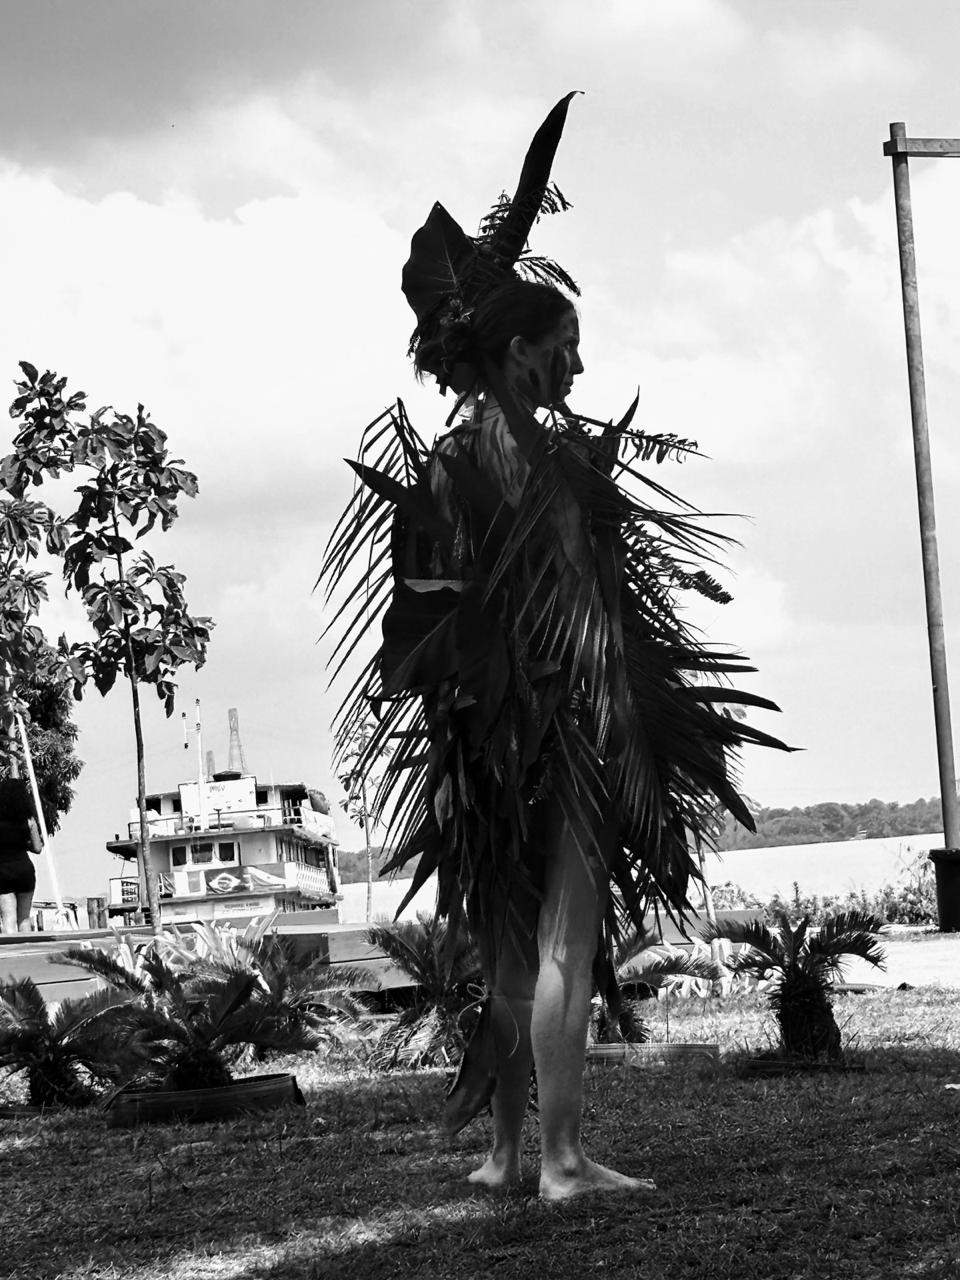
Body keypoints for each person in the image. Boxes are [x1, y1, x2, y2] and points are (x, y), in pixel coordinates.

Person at [321, 94, 790, 1200]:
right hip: (567, 730)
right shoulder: (557, 467)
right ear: (520, 352)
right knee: (565, 950)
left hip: (473, 738)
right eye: (565, 348)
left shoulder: (442, 464)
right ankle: (565, 1160)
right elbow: (594, 616)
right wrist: (619, 724)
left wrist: (463, 714)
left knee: (503, 954)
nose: (577, 367)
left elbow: (422, 615)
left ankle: (500, 1156)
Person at [0, 775, 42, 934]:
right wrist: (23, 844)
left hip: (3, 872)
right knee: (24, 919)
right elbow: (38, 848)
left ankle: (11, 949)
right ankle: (27, 946)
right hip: (24, 871)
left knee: (8, 918)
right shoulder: (29, 820)